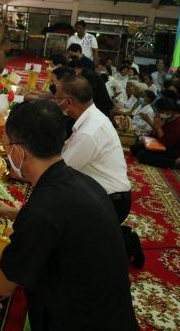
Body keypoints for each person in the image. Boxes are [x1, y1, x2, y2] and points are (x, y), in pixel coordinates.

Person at [0, 100, 138, 330]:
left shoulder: (42, 210)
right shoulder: (86, 182)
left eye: (6, 147)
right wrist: (14, 213)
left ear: (19, 152)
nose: (7, 154)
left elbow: (2, 285)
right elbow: (62, 226)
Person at [55, 75, 143, 268]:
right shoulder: (91, 117)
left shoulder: (90, 131)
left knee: (68, 247)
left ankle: (125, 242)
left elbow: (58, 171)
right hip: (106, 195)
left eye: (56, 98)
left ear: (68, 102)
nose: (55, 102)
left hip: (111, 201)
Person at [131, 96, 180, 168]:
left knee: (143, 155)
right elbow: (155, 136)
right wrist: (155, 127)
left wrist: (159, 128)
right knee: (135, 148)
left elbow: (167, 143)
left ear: (170, 110)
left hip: (175, 150)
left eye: (161, 112)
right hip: (161, 145)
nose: (160, 113)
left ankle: (173, 163)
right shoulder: (166, 118)